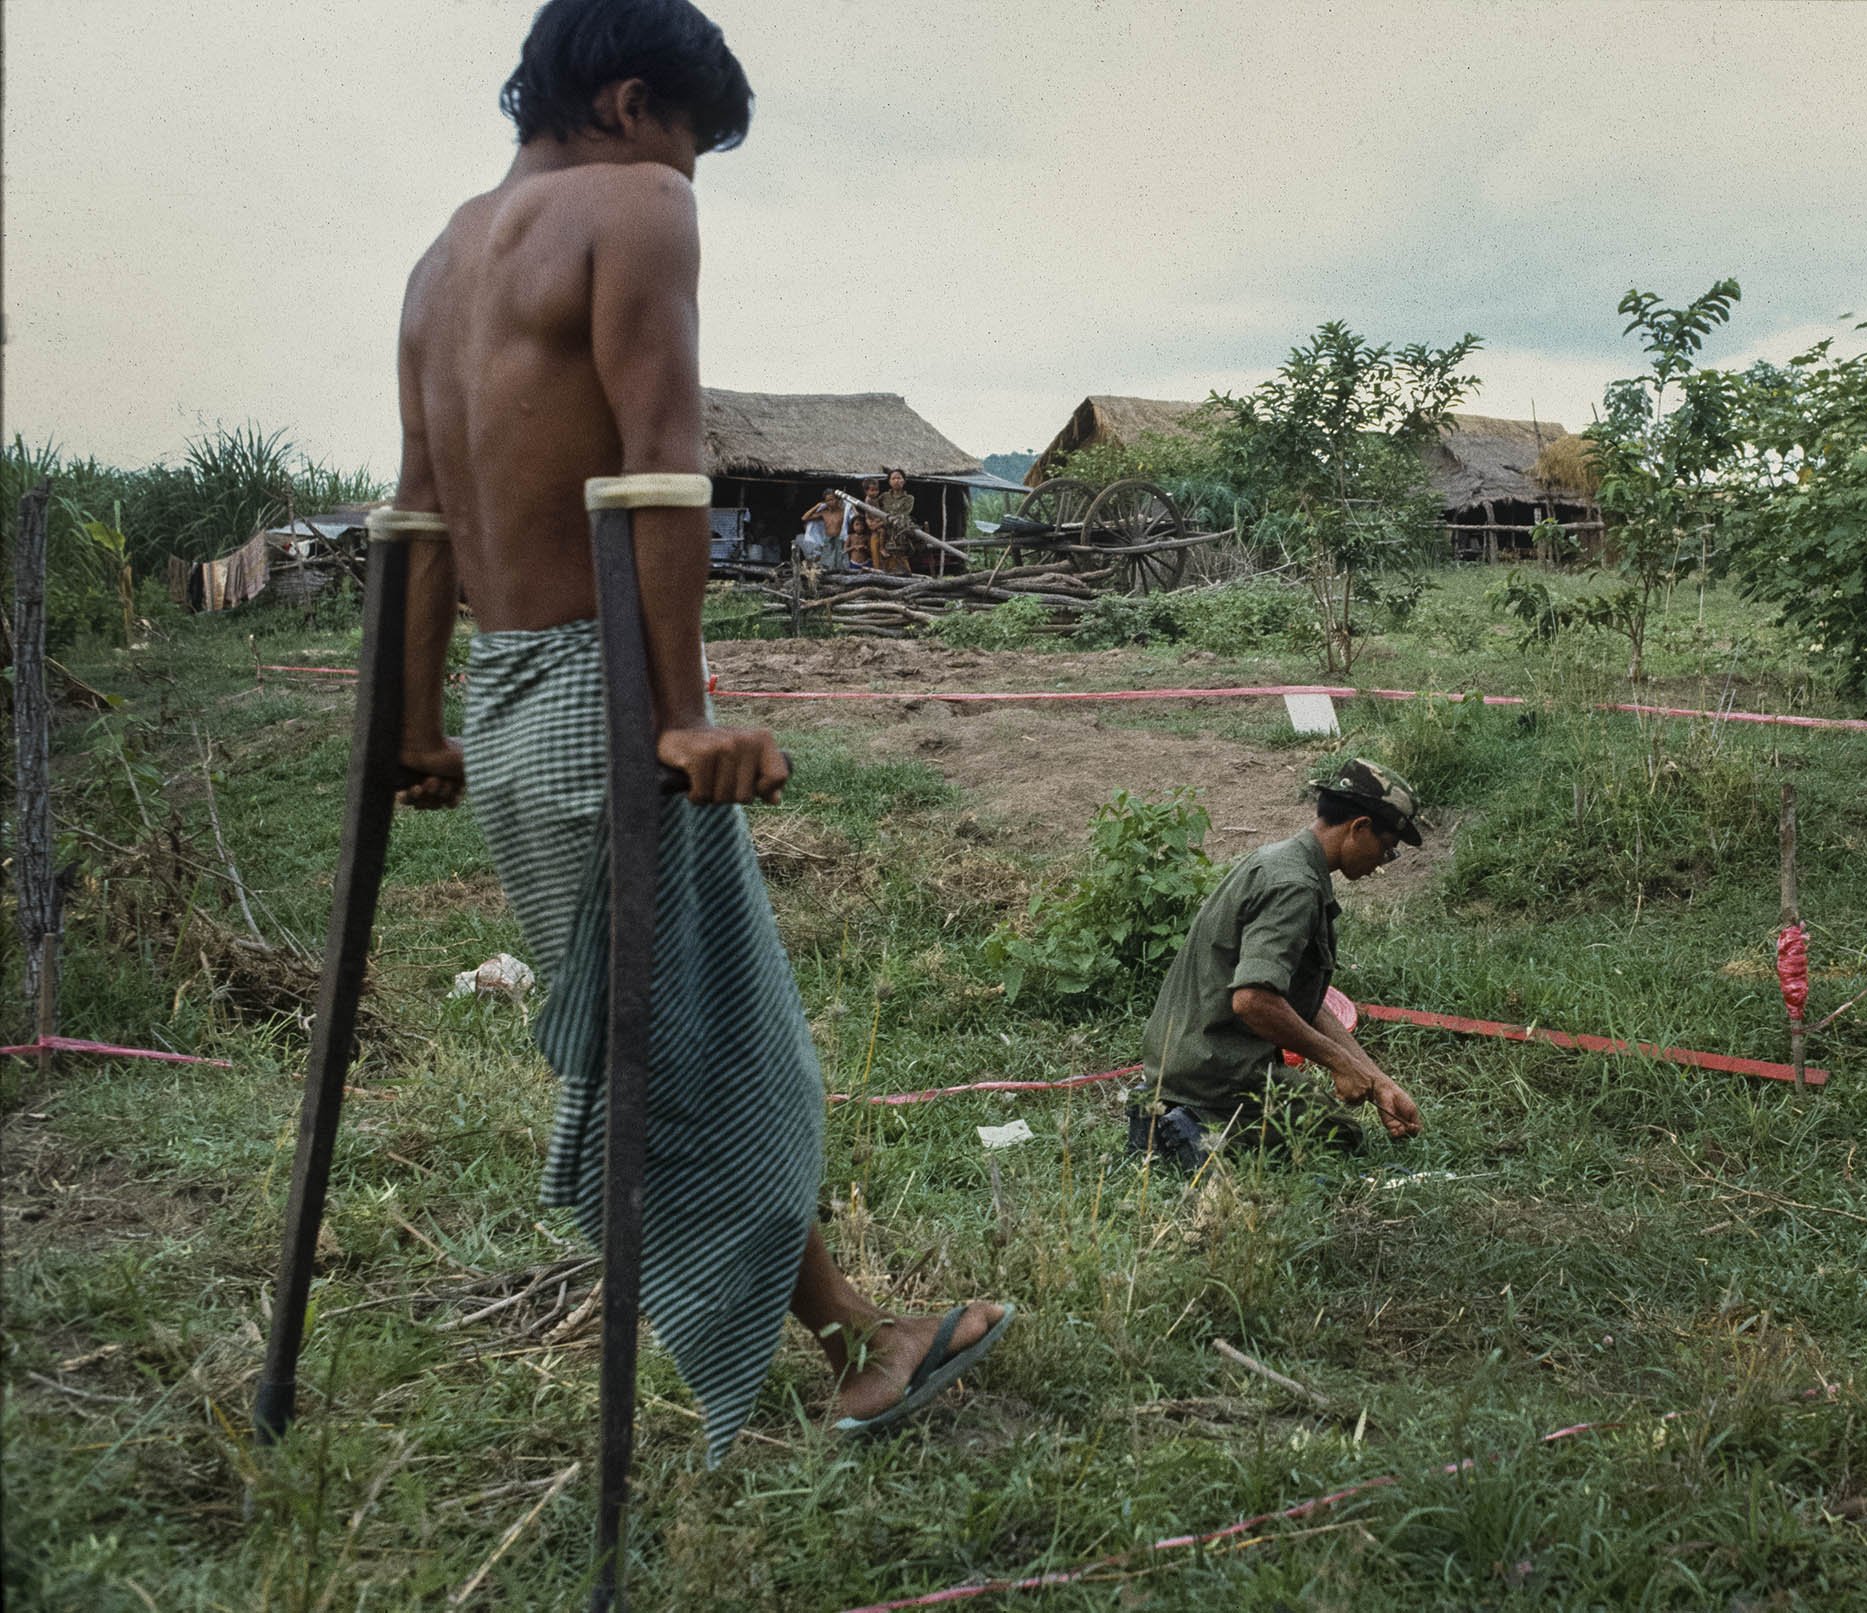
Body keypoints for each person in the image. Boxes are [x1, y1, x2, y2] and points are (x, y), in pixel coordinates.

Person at [387, 0, 1008, 1458]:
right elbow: (663, 467)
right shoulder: (635, 204)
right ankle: (858, 1347)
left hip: (506, 698)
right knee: (719, 1065)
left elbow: (415, 506)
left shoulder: (442, 257)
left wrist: (413, 723)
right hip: (603, 701)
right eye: (688, 143)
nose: (689, 180)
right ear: (624, 101)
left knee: (672, 1050)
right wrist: (681, 714)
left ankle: (865, 1335)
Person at [1130, 759, 1425, 1169]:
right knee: (1340, 1136)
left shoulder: (1281, 860)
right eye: (1387, 847)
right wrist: (1339, 1064)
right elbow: (1253, 1001)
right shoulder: (1295, 888)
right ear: (1359, 828)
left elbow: (1295, 997)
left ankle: (1174, 1111)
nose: (1383, 861)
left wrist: (1377, 1081)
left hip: (1182, 1059)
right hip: (1215, 1072)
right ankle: (1198, 1128)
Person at [875, 467, 919, 573]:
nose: (896, 481)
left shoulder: (909, 498)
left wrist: (889, 518)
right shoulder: (884, 497)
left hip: (899, 532)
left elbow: (904, 514)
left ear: (904, 480)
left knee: (901, 560)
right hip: (884, 531)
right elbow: (876, 509)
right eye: (893, 478)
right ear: (889, 481)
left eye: (899, 478)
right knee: (883, 561)